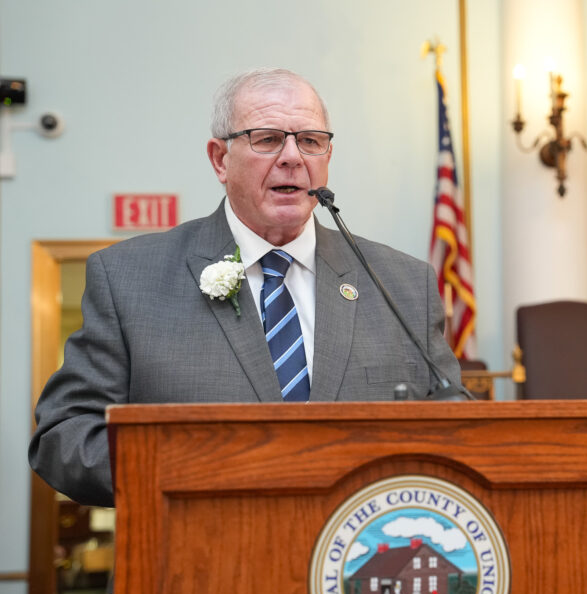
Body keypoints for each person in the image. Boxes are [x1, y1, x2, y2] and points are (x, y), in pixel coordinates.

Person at [29, 68, 462, 508]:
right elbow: (65, 436)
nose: (293, 157)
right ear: (220, 159)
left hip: (356, 567)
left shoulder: (403, 284)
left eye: (310, 140)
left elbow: (456, 427)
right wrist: (192, 466)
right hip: (193, 563)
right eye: (268, 138)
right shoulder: (128, 278)